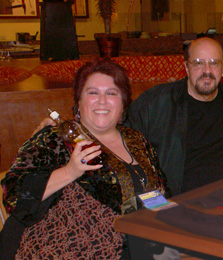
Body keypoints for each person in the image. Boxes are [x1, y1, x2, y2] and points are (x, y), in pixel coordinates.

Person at [0, 59, 170, 258]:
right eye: (92, 92)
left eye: (111, 93)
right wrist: (69, 172)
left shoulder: (135, 139)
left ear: (123, 103)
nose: (102, 100)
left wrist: (172, 217)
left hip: (133, 242)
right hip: (67, 248)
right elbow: (14, 195)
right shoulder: (55, 138)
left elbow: (154, 192)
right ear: (78, 103)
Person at [125, 37, 223, 195]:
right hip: (181, 204)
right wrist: (153, 199)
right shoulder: (157, 103)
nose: (207, 71)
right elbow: (123, 142)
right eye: (198, 63)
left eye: (214, 63)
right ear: (186, 68)